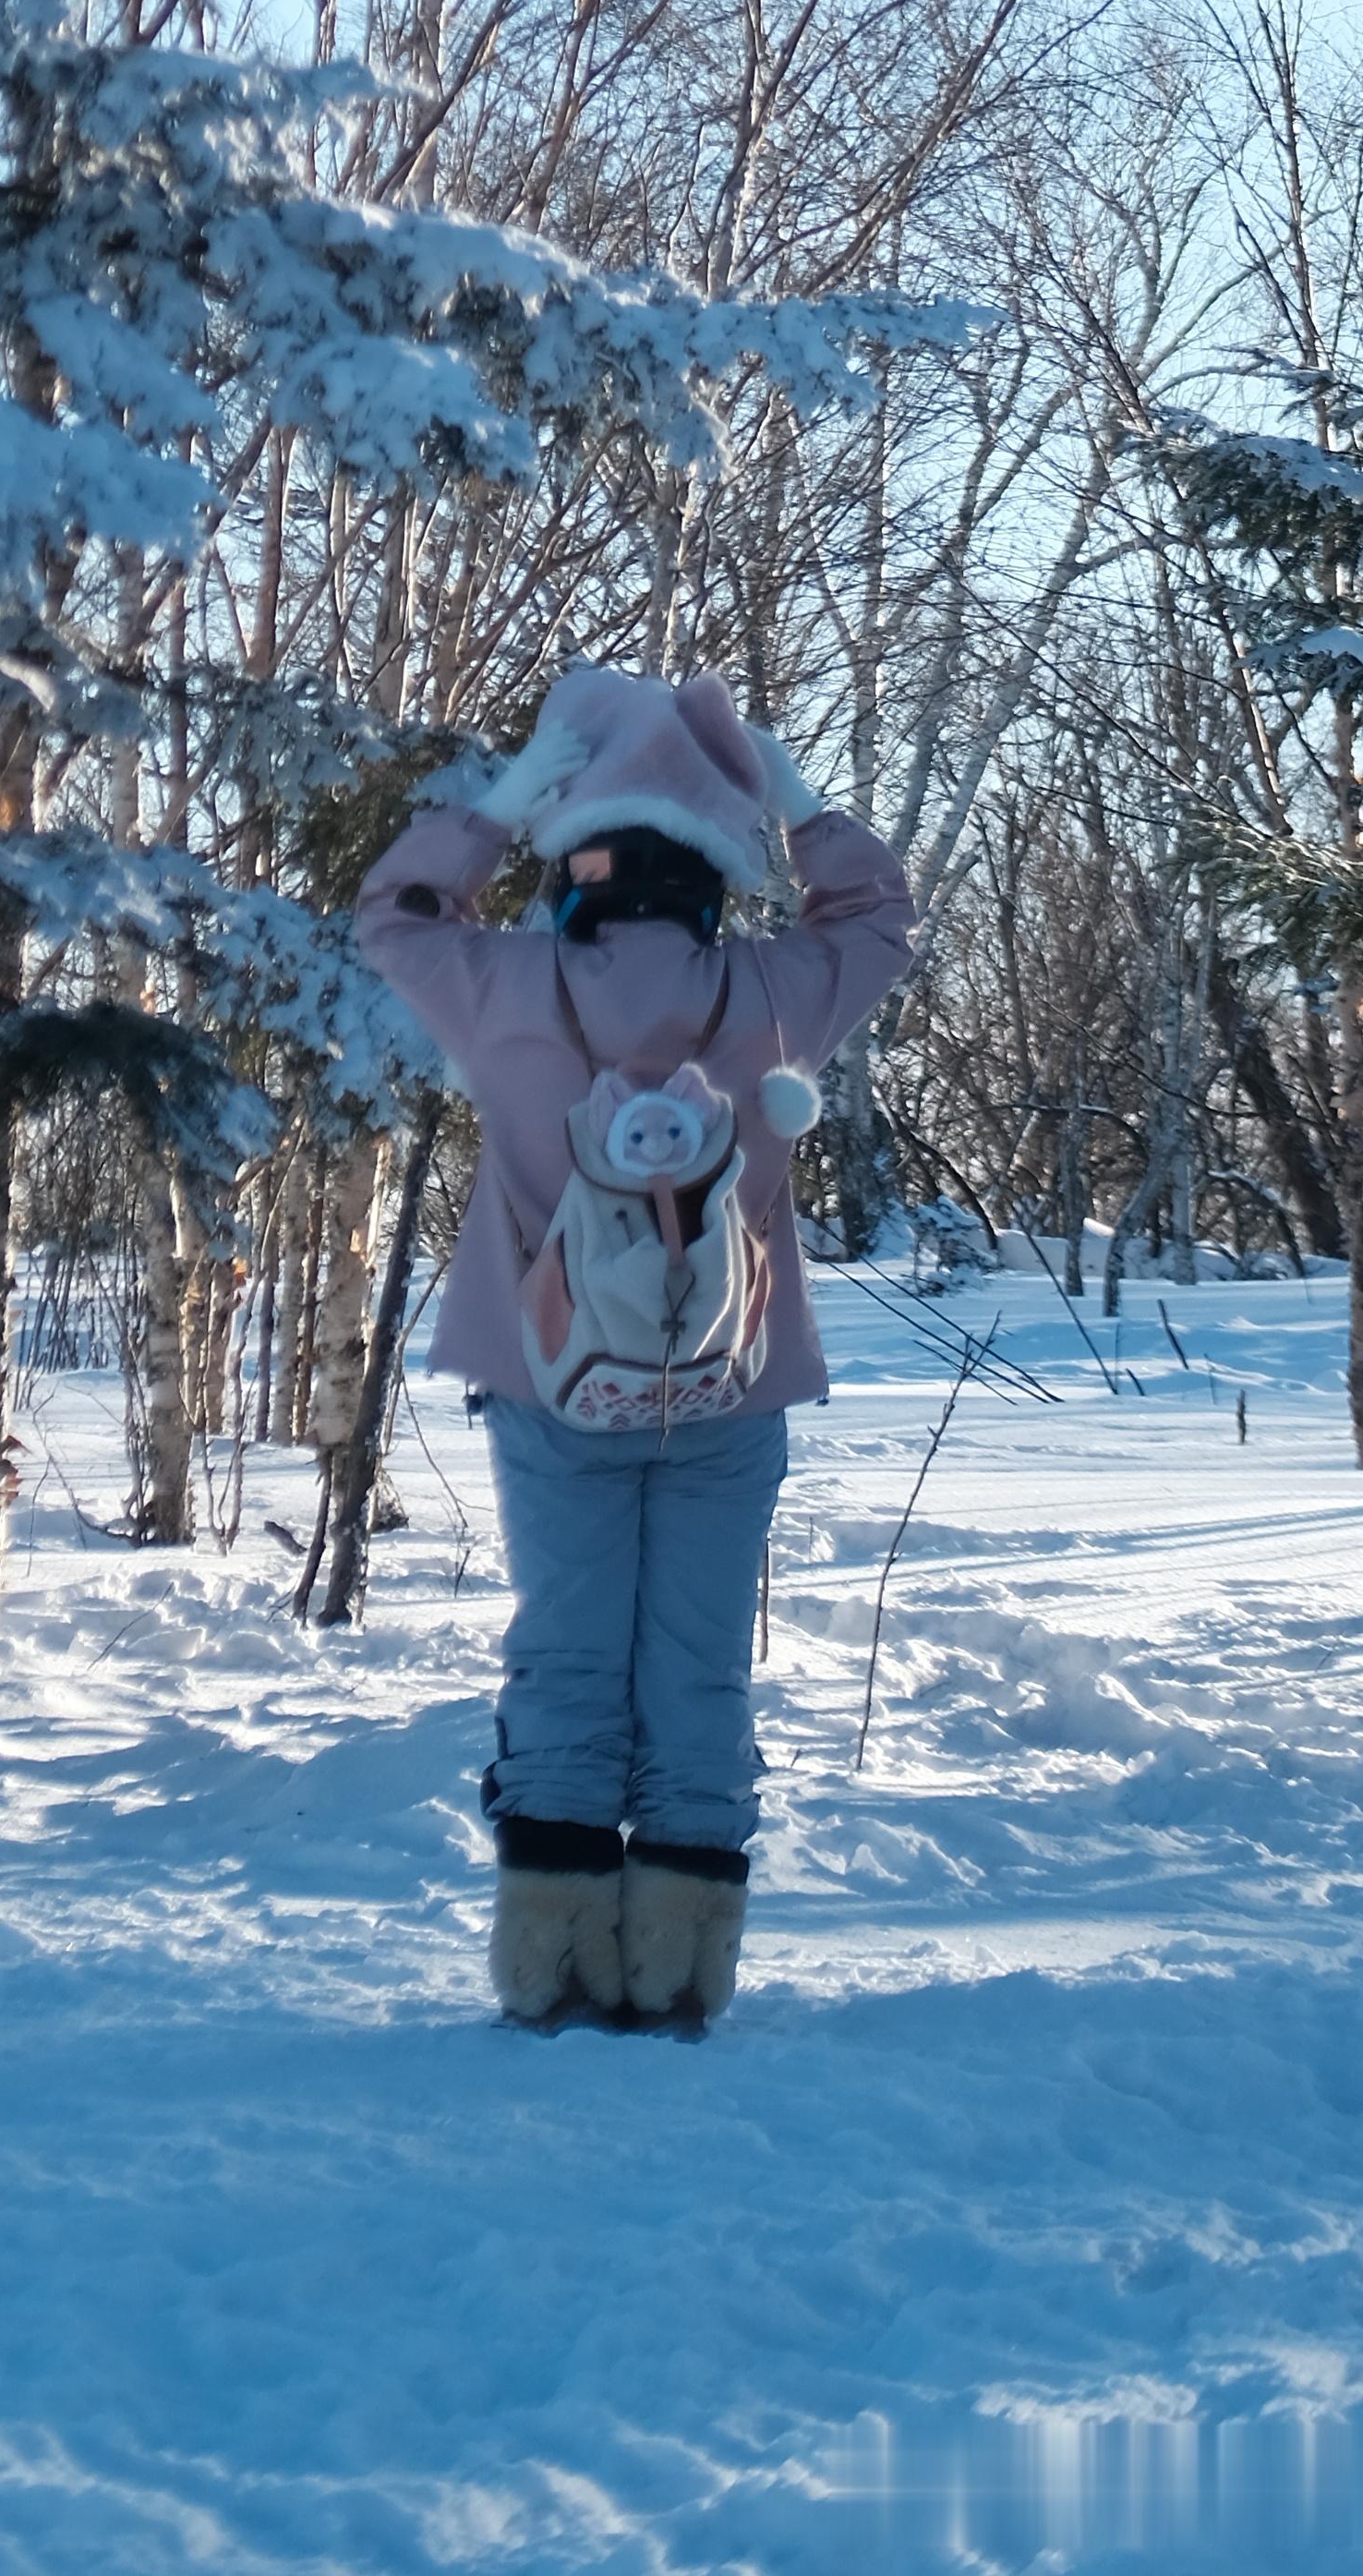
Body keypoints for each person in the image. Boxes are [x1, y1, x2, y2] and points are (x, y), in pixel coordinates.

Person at [355, 659, 914, 2037]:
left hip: (549, 1385)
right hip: (731, 1385)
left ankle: (552, 1962)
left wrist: (493, 806)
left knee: (567, 1654)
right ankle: (676, 1966)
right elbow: (879, 914)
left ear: (577, 871)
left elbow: (394, 913)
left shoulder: (504, 989)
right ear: (714, 881)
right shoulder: (778, 996)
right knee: (698, 1665)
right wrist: (791, 798)